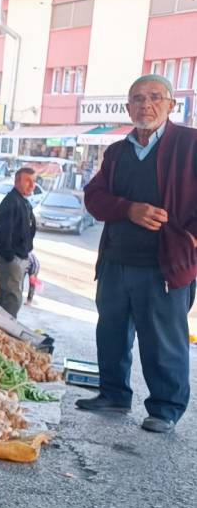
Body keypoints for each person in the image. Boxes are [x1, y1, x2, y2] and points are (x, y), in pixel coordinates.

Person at [80, 74, 197, 433]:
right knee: (111, 333)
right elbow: (94, 197)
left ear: (171, 104)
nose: (146, 104)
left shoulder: (190, 144)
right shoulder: (117, 152)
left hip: (164, 265)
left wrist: (191, 238)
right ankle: (113, 395)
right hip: (116, 260)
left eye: (155, 97)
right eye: (138, 98)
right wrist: (128, 209)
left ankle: (165, 409)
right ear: (128, 106)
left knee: (162, 340)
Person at [0, 167, 37, 317]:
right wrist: (11, 258)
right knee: (13, 299)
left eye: (34, 181)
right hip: (9, 258)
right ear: (17, 182)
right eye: (28, 181)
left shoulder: (24, 202)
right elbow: (3, 234)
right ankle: (5, 328)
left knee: (8, 297)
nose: (32, 185)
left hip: (20, 256)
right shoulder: (11, 202)